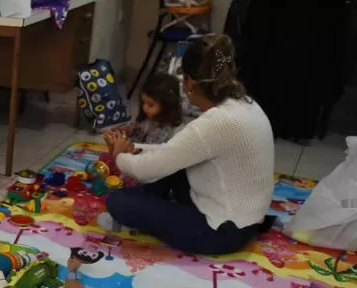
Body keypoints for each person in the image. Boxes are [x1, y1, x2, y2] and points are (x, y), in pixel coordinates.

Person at [100, 35, 275, 255]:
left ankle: (150, 204)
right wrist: (134, 149)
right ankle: (153, 202)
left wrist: (119, 156)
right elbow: (174, 151)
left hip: (222, 231)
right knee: (169, 165)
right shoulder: (245, 104)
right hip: (245, 218)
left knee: (118, 201)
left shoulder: (215, 124)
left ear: (190, 83)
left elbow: (146, 169)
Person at [127, 72, 183, 145]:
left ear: (166, 106)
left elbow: (148, 151)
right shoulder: (145, 116)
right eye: (143, 102)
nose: (144, 108)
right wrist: (131, 130)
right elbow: (138, 131)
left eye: (150, 105)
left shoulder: (165, 131)